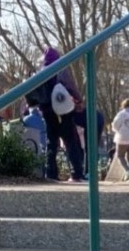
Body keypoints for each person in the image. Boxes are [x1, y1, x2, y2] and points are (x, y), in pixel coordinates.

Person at [28, 46, 86, 183]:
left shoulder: (41, 72)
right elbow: (70, 86)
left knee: (51, 142)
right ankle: (76, 172)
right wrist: (78, 100)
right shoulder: (61, 69)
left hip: (47, 111)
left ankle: (51, 173)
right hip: (63, 110)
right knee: (70, 140)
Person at [111, 98, 129, 180]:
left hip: (123, 138)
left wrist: (117, 130)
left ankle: (128, 172)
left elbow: (115, 125)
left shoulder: (122, 114)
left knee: (120, 156)